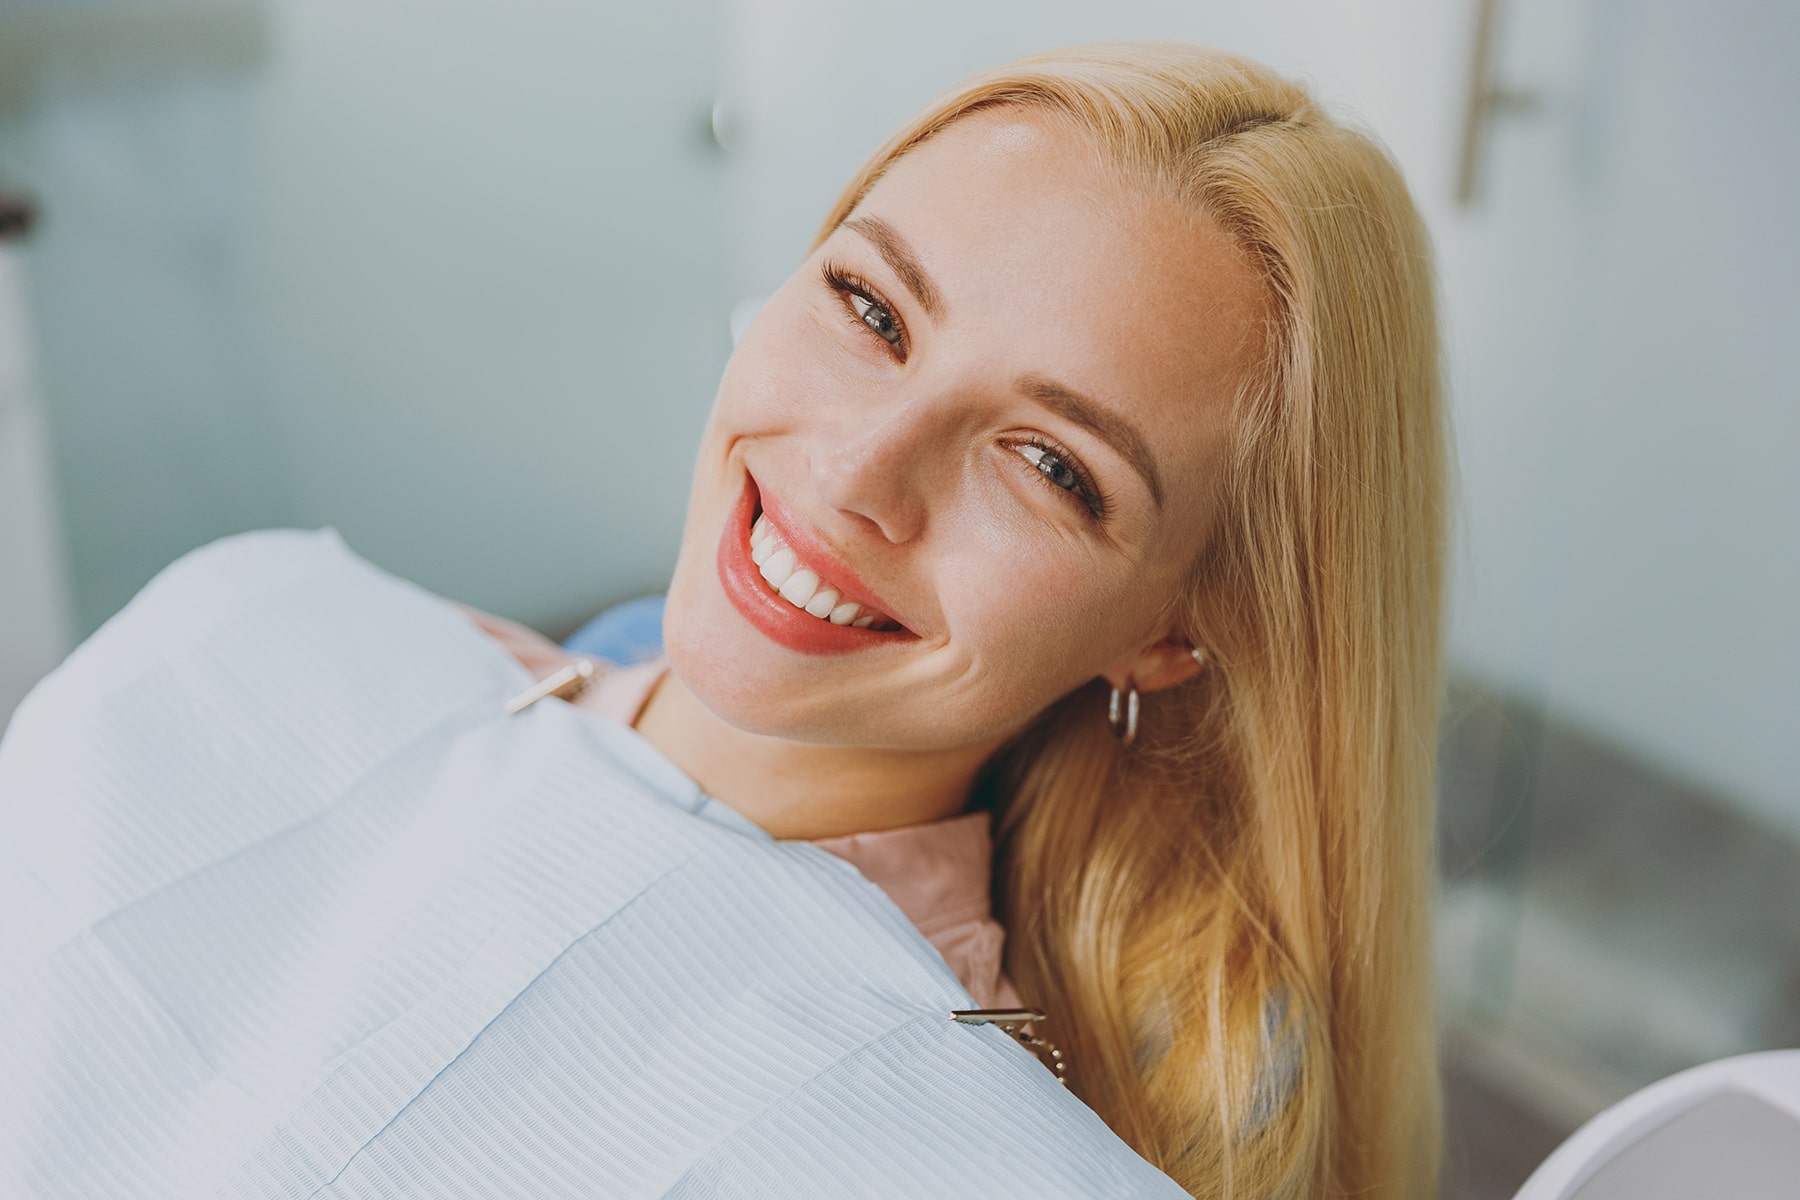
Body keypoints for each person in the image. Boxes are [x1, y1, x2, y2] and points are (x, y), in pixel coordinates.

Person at [0, 41, 1445, 1199]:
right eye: (871, 308)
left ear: (1174, 635)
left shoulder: (958, 1148)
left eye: (1052, 466)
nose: (856, 473)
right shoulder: (268, 638)